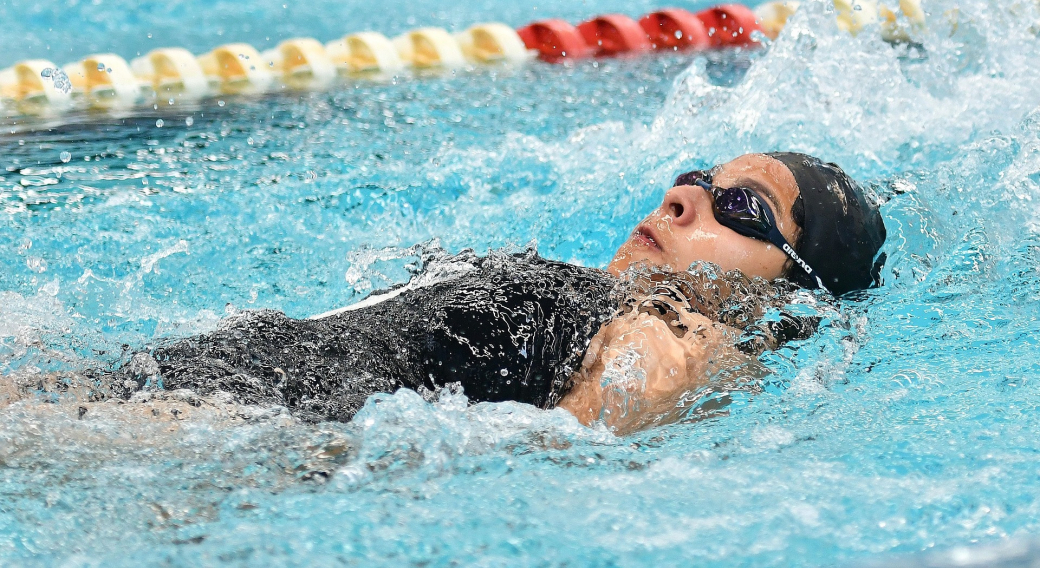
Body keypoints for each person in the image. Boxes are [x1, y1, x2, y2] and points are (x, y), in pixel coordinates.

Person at [109, 152, 886, 432]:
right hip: (190, 387)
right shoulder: (583, 290)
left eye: (742, 207)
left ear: (789, 292)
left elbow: (573, 453)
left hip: (205, 425)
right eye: (695, 180)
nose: (681, 201)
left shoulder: (681, 332)